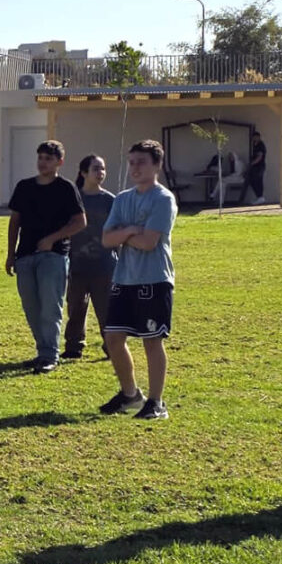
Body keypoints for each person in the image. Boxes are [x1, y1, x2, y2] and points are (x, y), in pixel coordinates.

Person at [98, 140, 178, 421]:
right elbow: (107, 239)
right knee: (113, 338)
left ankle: (156, 402)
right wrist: (132, 229)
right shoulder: (122, 199)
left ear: (157, 165)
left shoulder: (163, 199)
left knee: (151, 340)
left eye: (142, 162)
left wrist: (126, 234)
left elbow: (148, 242)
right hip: (124, 278)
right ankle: (130, 394)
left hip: (154, 279)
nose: (135, 168)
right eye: (132, 162)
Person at [6, 140, 86, 373]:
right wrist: (11, 254)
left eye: (49, 159)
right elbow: (14, 222)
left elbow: (80, 221)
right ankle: (43, 349)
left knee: (51, 306)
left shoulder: (66, 188)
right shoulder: (24, 187)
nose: (43, 163)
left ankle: (50, 355)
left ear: (60, 162)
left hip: (54, 255)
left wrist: (54, 238)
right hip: (25, 255)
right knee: (31, 306)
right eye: (40, 157)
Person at [64, 155, 117, 359]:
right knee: (76, 306)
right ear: (83, 173)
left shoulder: (110, 200)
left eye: (102, 169)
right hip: (77, 263)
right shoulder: (74, 199)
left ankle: (112, 346)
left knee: (106, 309)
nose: (100, 173)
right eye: (95, 169)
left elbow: (117, 230)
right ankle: (74, 346)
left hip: (104, 265)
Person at [248, 131, 268, 206]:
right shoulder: (254, 145)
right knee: (252, 180)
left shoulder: (260, 145)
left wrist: (252, 163)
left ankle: (260, 197)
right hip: (255, 166)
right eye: (253, 137)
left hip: (259, 166)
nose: (254, 138)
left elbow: (260, 157)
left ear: (258, 137)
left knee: (257, 181)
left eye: (255, 137)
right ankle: (259, 197)